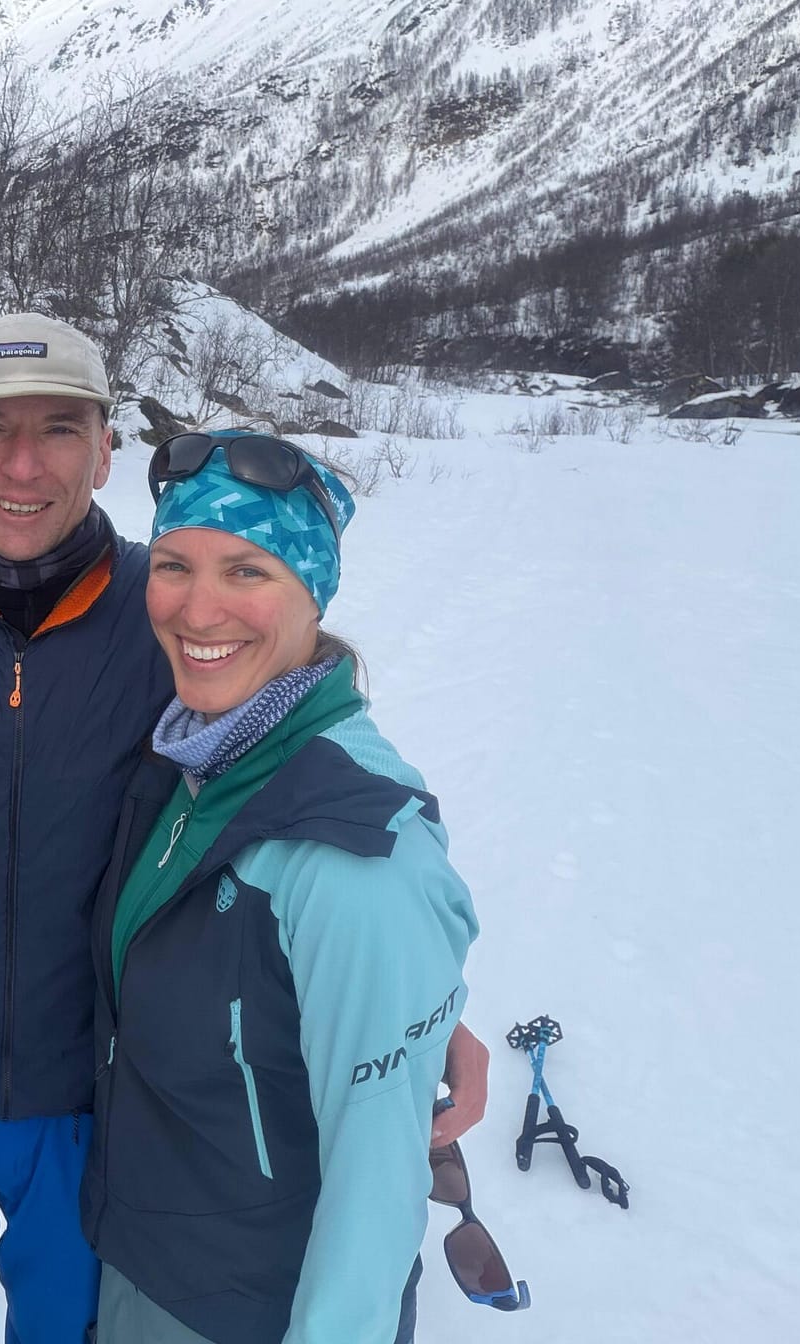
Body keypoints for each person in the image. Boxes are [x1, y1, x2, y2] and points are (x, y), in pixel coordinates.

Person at [0, 314, 489, 1342]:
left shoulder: (174, 612)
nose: (21, 464)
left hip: (98, 1108)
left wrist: (412, 1014)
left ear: (105, 450)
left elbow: (320, 805)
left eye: (59, 428)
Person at [82, 431, 479, 1344]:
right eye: (174, 566)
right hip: (145, 1262)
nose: (199, 608)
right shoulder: (191, 758)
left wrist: (417, 1009)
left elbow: (377, 1198)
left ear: (312, 593)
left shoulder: (355, 857)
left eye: (247, 572)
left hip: (252, 1308)